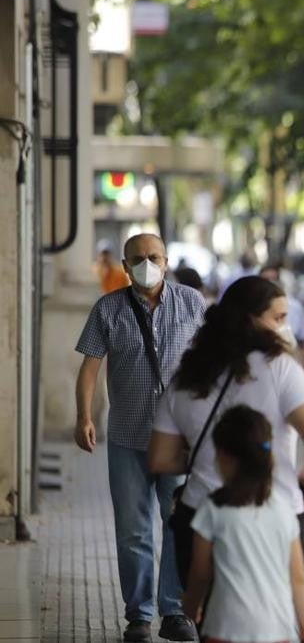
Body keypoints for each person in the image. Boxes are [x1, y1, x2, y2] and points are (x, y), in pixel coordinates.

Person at [148, 275, 304, 585]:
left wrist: (203, 455)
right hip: (275, 513)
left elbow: (160, 460)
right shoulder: (282, 369)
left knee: (212, 620)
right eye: (279, 318)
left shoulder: (188, 375)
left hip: (200, 514)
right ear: (250, 320)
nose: (285, 327)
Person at [73, 233, 205, 642]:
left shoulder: (192, 304)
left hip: (179, 439)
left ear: (166, 260)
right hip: (127, 436)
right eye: (137, 259)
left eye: (153, 257)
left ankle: (174, 612)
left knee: (177, 523)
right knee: (133, 530)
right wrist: (84, 417)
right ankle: (138, 616)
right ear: (125, 266)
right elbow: (90, 367)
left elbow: (210, 360)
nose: (145, 264)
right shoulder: (107, 309)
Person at [182, 405, 304, 643]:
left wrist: (192, 606)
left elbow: (200, 572)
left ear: (224, 456)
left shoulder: (212, 509)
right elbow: (297, 579)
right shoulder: (283, 510)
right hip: (276, 631)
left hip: (223, 629)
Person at [260, 263, 304, 346]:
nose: (269, 283)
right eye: (265, 280)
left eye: (274, 279)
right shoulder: (252, 308)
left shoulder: (294, 306)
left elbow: (303, 339)